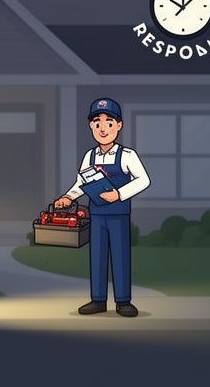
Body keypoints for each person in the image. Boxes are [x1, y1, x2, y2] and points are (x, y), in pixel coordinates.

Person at [54, 97, 150, 317]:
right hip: (96, 214)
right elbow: (81, 183)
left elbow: (143, 180)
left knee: (120, 256)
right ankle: (97, 299)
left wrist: (118, 193)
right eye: (97, 122)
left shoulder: (127, 155)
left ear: (119, 125)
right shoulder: (89, 156)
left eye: (109, 122)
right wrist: (68, 197)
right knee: (96, 257)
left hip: (118, 214)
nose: (103, 128)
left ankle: (123, 301)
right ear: (90, 126)